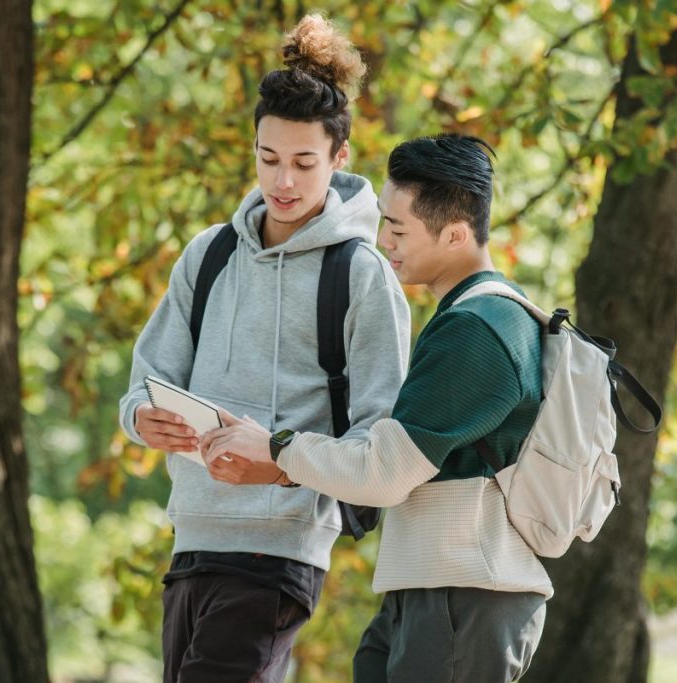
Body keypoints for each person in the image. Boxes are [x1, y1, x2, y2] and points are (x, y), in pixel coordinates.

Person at [117, 15, 410, 683]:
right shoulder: (209, 254)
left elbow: (378, 439)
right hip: (192, 539)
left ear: (339, 159)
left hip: (280, 550)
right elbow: (144, 380)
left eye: (304, 162)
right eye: (268, 157)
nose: (282, 180)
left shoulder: (360, 276)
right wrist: (142, 417)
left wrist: (279, 466)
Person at [201, 133, 550, 683]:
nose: (382, 238)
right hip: (433, 585)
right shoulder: (473, 316)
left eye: (398, 228)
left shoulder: (479, 332)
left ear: (455, 234)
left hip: (466, 595)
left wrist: (277, 450)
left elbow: (385, 473)